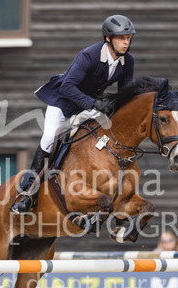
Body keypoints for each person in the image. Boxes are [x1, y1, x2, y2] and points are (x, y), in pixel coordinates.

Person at [10, 15, 136, 214]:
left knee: (106, 135)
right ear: (108, 39)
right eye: (121, 38)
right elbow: (67, 87)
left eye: (128, 38)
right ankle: (28, 191)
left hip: (89, 105)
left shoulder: (128, 61)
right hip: (63, 102)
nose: (126, 42)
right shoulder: (88, 56)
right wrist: (95, 104)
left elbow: (124, 94)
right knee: (50, 138)